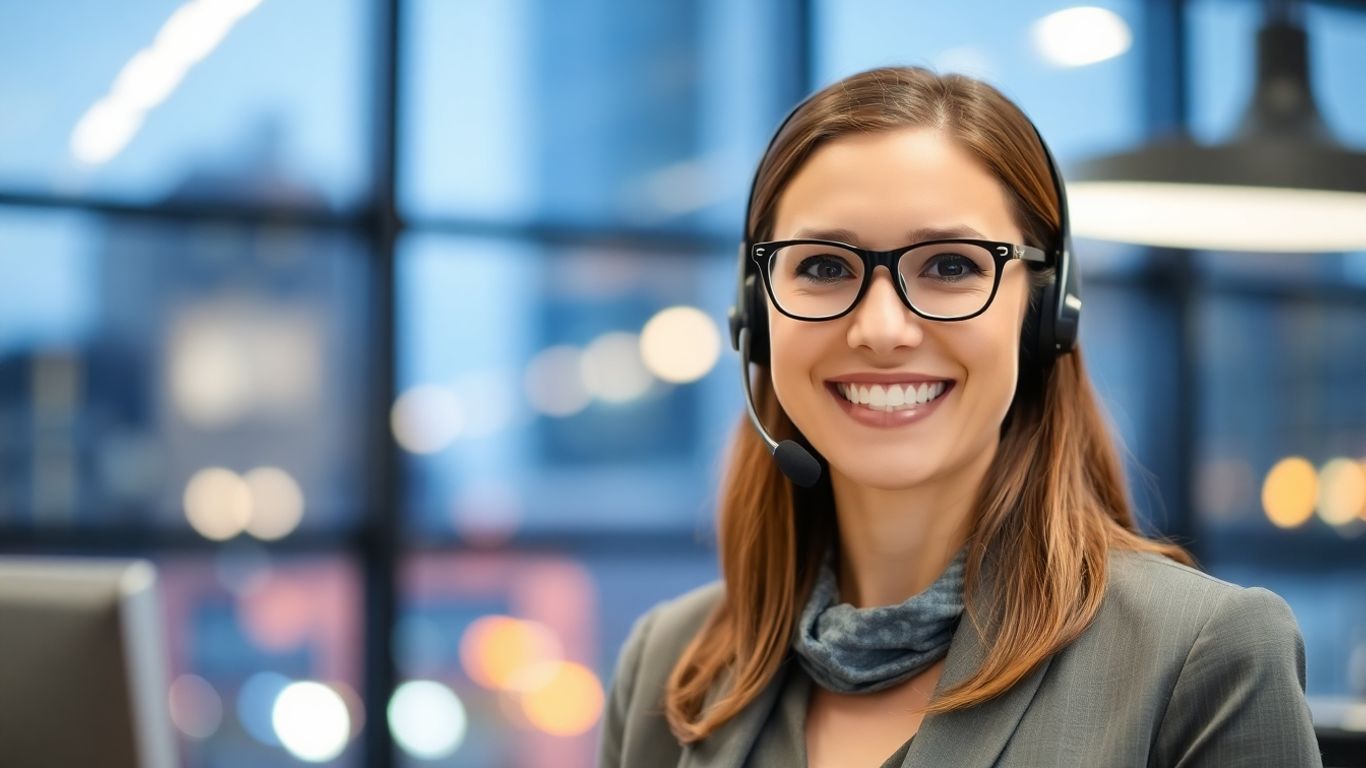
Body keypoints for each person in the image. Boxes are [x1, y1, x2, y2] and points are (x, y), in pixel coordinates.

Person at [597, 66, 1321, 768]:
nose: (882, 329)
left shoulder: (1201, 655)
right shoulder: (672, 662)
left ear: (1045, 315)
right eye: (822, 267)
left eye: (949, 266)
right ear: (755, 314)